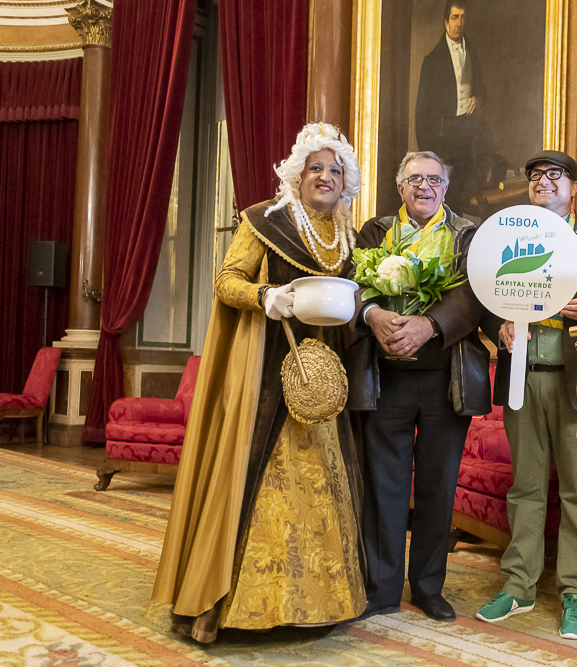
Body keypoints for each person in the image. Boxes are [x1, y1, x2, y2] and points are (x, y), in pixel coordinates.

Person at [152, 123, 366, 642]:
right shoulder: (263, 221)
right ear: (297, 174)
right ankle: (222, 606)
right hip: (265, 373)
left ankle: (316, 606)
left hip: (323, 377)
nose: (325, 176)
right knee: (253, 476)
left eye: (335, 169)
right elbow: (227, 280)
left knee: (326, 482)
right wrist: (265, 296)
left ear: (346, 182)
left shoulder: (348, 236)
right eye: (316, 167)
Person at [474, 150, 577, 639]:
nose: (543, 181)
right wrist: (499, 327)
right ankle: (518, 585)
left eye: (554, 175)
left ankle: (574, 591)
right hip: (523, 372)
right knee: (526, 487)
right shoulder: (508, 235)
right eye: (535, 175)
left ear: (574, 187)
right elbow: (486, 291)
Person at [347, 151, 489, 623]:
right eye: (414, 179)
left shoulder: (468, 235)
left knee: (437, 487)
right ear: (400, 187)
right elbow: (353, 286)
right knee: (383, 489)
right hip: (385, 379)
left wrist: (428, 326)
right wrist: (375, 314)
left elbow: (474, 293)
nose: (424, 187)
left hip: (444, 380)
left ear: (445, 189)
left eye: (433, 179)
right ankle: (381, 588)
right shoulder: (375, 231)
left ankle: (428, 587)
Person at [414, 1, 489, 212]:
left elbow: (482, 89)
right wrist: (426, 154)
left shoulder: (472, 54)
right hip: (442, 138)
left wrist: (478, 97)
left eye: (463, 17)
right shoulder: (432, 61)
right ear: (446, 22)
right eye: (455, 17)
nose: (459, 23)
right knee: (441, 195)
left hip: (467, 134)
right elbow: (421, 112)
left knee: (462, 194)